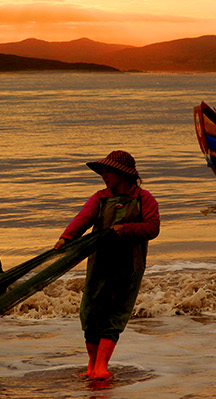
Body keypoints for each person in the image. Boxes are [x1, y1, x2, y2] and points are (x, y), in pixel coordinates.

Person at [54, 150, 160, 379]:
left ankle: (101, 365)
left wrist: (125, 229)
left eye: (108, 170)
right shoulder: (100, 198)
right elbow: (82, 219)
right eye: (103, 170)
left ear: (123, 174)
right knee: (90, 312)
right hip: (100, 264)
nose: (104, 175)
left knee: (115, 312)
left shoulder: (144, 199)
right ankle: (92, 365)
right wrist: (65, 238)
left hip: (129, 266)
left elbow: (153, 228)